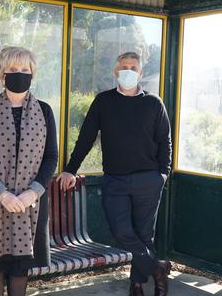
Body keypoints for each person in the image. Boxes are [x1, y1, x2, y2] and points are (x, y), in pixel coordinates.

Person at [57, 51, 172, 296]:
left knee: (144, 234)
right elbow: (86, 138)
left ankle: (137, 285)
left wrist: (163, 174)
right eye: (124, 67)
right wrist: (70, 169)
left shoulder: (154, 103)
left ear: (140, 72)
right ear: (116, 71)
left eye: (133, 67)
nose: (128, 70)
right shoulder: (103, 101)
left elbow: (165, 141)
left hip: (148, 179)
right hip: (115, 180)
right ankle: (158, 268)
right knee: (121, 231)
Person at [0, 46, 58, 296]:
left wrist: (32, 193)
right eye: (13, 69)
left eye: (24, 69)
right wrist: (3, 194)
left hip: (30, 207)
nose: (19, 74)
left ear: (32, 73)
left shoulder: (45, 111)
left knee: (20, 272)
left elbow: (51, 158)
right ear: (1, 74)